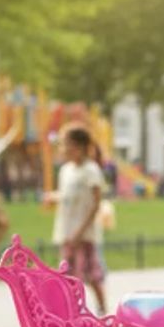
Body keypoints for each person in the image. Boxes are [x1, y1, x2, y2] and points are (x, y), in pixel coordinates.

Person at [47, 124, 107, 313]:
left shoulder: (91, 170)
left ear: (79, 147)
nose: (63, 149)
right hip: (66, 231)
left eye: (66, 145)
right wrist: (53, 197)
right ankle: (71, 311)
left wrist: (80, 231)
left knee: (90, 274)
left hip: (84, 234)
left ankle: (102, 309)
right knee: (67, 274)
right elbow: (67, 195)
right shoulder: (65, 170)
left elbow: (96, 203)